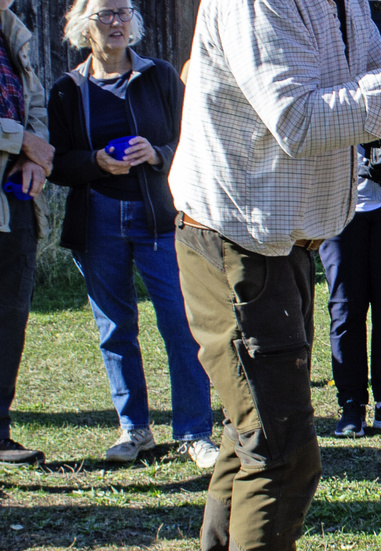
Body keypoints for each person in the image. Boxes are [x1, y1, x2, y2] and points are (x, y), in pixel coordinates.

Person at [168, 0, 381, 547]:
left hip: (278, 245)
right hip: (235, 242)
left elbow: (379, 95)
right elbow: (301, 121)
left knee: (253, 438)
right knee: (282, 455)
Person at [47, 0, 219, 468]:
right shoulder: (68, 90)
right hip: (98, 217)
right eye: (106, 14)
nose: (117, 22)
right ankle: (134, 430)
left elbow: (193, 136)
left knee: (181, 323)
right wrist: (95, 161)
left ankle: (195, 432)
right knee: (115, 328)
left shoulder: (160, 76)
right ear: (85, 26)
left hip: (158, 218)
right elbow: (56, 163)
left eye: (123, 13)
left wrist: (158, 152)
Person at [320, 0, 381, 438]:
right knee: (346, 306)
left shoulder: (377, 30)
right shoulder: (325, 39)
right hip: (344, 201)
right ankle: (349, 406)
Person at [0, 0, 53, 466]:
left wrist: (34, 155)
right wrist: (20, 141)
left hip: (14, 202)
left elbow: (33, 102)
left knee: (9, 316)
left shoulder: (13, 31)